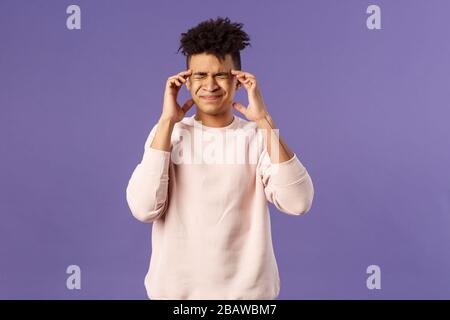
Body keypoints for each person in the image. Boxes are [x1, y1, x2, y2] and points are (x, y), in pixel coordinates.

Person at [126, 16, 314, 300]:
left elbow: (299, 202)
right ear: (186, 81)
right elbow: (143, 208)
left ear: (238, 81)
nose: (210, 85)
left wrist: (264, 121)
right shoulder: (168, 134)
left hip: (247, 299)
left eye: (221, 75)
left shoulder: (258, 136)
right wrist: (167, 121)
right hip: (177, 298)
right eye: (200, 75)